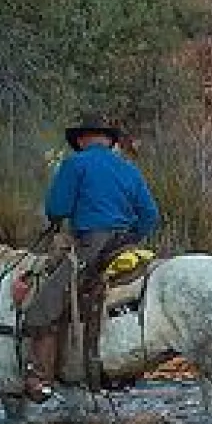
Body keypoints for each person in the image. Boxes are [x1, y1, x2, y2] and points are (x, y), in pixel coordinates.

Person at [22, 117, 161, 402]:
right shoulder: (128, 168)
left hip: (91, 245)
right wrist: (130, 237)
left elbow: (57, 208)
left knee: (42, 308)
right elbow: (150, 216)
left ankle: (41, 378)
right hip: (125, 245)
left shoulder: (75, 164)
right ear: (109, 141)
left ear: (82, 139)